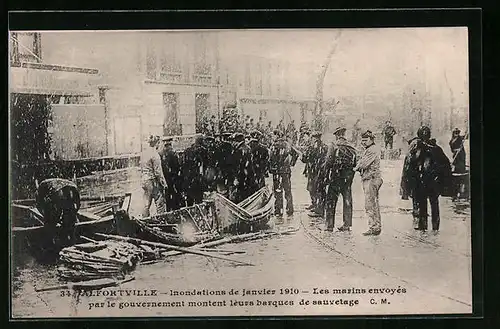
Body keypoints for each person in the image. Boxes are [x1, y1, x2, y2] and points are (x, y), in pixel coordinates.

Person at [400, 126, 452, 231]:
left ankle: (429, 227)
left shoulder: (423, 149)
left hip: (428, 181)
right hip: (425, 182)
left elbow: (408, 167)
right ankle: (429, 226)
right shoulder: (426, 148)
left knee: (428, 204)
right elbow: (409, 167)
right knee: (429, 204)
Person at [322, 126, 358, 231]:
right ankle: (347, 224)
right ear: (344, 135)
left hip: (335, 177)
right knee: (347, 200)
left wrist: (325, 176)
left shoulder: (334, 146)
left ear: (337, 135)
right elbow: (355, 164)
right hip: (347, 178)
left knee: (331, 200)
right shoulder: (351, 147)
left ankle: (329, 225)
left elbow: (328, 162)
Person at [36, 178, 81, 248]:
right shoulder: (72, 186)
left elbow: (39, 205)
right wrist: (74, 213)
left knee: (52, 221)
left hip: (57, 191)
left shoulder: (41, 189)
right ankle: (70, 239)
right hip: (69, 189)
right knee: (69, 218)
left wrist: (47, 217)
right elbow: (78, 204)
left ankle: (53, 242)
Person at [354, 130, 383, 236]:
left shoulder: (372, 150)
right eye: (362, 140)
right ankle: (375, 226)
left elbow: (363, 164)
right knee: (372, 204)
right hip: (370, 178)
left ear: (371, 140)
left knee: (370, 204)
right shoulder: (369, 149)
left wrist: (355, 167)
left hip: (371, 179)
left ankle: (374, 227)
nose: (363, 142)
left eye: (365, 140)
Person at [269, 129, 299, 217]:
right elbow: (295, 154)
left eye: (273, 135)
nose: (272, 137)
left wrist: (272, 168)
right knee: (287, 190)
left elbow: (271, 158)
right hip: (286, 171)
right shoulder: (287, 144)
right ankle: (290, 209)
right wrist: (291, 163)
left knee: (278, 191)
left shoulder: (274, 145)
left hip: (277, 171)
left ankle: (279, 210)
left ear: (277, 135)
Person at [141, 135, 167, 217]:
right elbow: (158, 173)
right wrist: (164, 184)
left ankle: (144, 220)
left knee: (146, 204)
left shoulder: (144, 154)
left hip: (145, 180)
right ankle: (162, 220)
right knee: (160, 202)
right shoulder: (155, 155)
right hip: (152, 181)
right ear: (157, 143)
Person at [302, 131, 328, 216]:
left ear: (315, 138)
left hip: (314, 171)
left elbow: (305, 159)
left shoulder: (313, 148)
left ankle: (319, 209)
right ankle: (318, 205)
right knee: (318, 189)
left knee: (314, 189)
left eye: (312, 138)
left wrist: (303, 155)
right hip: (320, 171)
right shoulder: (325, 147)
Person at [183, 135, 208, 206]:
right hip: (197, 179)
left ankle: (191, 212)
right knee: (199, 199)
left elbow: (183, 165)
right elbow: (205, 165)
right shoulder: (202, 151)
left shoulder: (187, 150)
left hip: (188, 179)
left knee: (189, 200)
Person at [159, 137, 182, 212]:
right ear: (170, 143)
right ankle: (175, 210)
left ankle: (168, 210)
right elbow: (177, 166)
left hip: (165, 177)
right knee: (175, 194)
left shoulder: (160, 153)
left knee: (167, 195)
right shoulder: (173, 152)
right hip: (173, 177)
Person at [232, 133, 254, 203]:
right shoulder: (248, 148)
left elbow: (237, 164)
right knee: (247, 190)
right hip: (247, 173)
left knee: (240, 191)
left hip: (241, 173)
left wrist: (235, 176)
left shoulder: (238, 149)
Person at [449, 128, 467, 199]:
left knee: (461, 169)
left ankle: (462, 190)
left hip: (461, 156)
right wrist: (457, 150)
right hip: (456, 157)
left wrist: (466, 134)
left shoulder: (460, 138)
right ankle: (455, 191)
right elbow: (452, 149)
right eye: (455, 132)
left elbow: (465, 136)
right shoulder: (451, 141)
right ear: (453, 133)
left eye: (457, 132)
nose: (457, 134)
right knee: (457, 170)